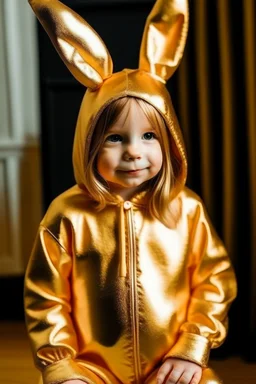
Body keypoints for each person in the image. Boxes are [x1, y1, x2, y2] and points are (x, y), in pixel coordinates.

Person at [24, 1, 237, 384]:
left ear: (170, 140)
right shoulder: (67, 215)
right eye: (115, 138)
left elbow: (213, 280)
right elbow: (46, 297)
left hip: (173, 367)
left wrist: (193, 346)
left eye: (149, 136)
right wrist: (62, 366)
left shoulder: (186, 209)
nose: (134, 151)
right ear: (89, 144)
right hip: (90, 371)